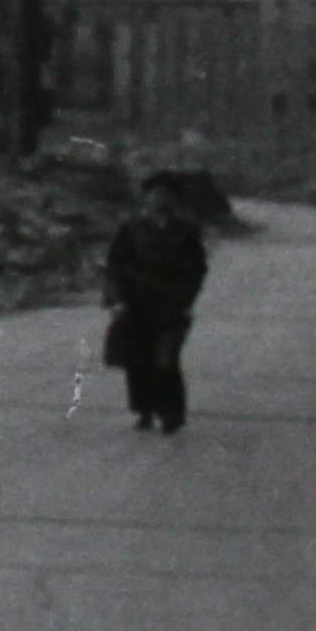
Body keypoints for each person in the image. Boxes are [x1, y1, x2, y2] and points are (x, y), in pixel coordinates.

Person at [103, 170, 210, 433]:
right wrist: (116, 299)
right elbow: (115, 265)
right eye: (155, 194)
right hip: (135, 303)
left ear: (175, 200)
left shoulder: (187, 231)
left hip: (171, 305)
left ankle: (171, 413)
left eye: (166, 195)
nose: (160, 200)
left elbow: (196, 269)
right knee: (138, 360)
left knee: (166, 359)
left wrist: (186, 297)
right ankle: (144, 411)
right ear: (147, 198)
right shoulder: (130, 229)